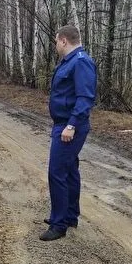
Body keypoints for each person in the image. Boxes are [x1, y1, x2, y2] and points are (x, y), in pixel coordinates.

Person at [39, 25, 97, 241]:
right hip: (64, 124)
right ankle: (70, 215)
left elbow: (85, 98)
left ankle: (59, 224)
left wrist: (71, 126)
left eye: (56, 41)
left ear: (64, 41)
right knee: (70, 170)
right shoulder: (71, 61)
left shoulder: (80, 61)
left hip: (69, 127)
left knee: (57, 172)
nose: (56, 46)